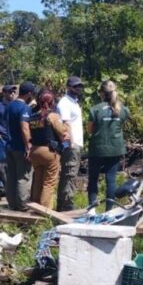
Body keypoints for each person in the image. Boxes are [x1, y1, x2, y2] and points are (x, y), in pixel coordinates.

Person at [87, 80, 129, 210]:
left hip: (97, 149)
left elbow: (89, 130)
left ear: (101, 93)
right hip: (115, 148)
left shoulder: (95, 109)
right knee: (111, 180)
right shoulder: (123, 109)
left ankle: (92, 209)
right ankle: (109, 210)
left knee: (93, 178)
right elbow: (121, 124)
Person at [27, 89, 69, 209]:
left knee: (38, 179)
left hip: (35, 151)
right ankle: (45, 211)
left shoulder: (33, 116)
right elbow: (63, 132)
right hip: (49, 152)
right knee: (49, 183)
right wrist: (66, 125)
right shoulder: (53, 116)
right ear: (52, 102)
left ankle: (34, 206)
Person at [5, 82, 37, 210]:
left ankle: (12, 203)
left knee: (11, 176)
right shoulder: (25, 108)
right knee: (23, 176)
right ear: (29, 94)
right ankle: (23, 204)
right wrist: (28, 146)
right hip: (20, 147)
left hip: (9, 146)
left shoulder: (10, 105)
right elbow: (24, 127)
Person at [56, 76, 85, 211]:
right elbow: (66, 123)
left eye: (79, 86)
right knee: (69, 174)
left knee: (71, 173)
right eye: (75, 86)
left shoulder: (74, 101)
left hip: (76, 143)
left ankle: (64, 203)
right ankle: (66, 204)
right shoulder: (64, 102)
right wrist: (72, 142)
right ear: (68, 87)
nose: (78, 88)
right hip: (70, 144)